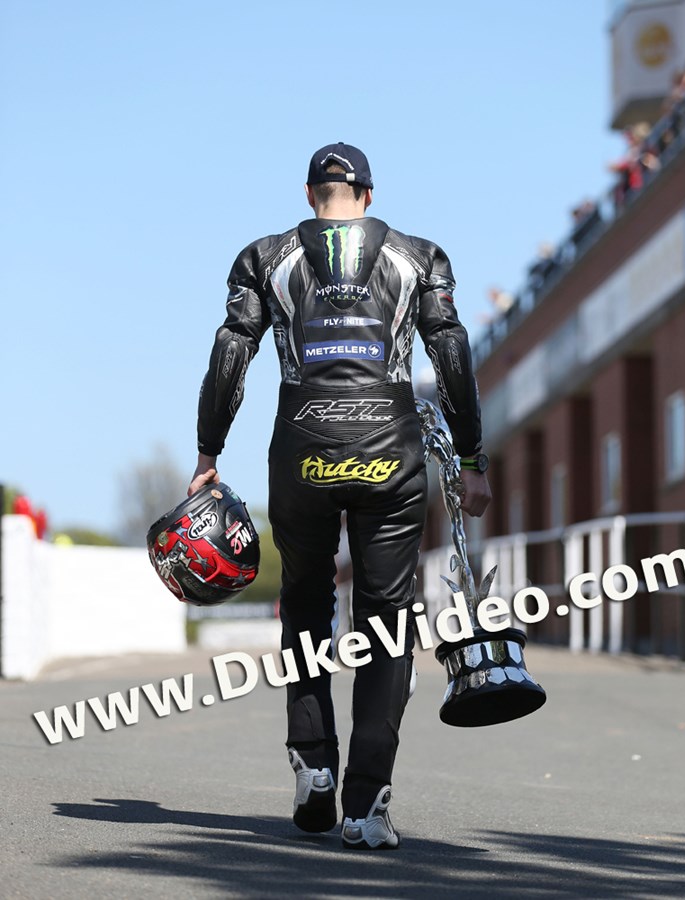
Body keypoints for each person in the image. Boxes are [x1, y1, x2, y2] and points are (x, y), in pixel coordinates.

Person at [188, 142, 491, 849]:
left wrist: (209, 451)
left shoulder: (264, 257)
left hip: (302, 449)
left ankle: (313, 766)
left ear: (308, 195)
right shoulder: (421, 256)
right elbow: (450, 353)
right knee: (389, 622)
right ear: (369, 197)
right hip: (391, 449)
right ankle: (367, 805)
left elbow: (231, 352)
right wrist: (472, 457)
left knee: (305, 605)